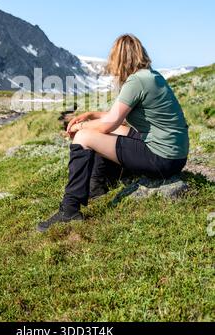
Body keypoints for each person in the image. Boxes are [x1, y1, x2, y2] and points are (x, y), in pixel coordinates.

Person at [37, 34, 189, 232]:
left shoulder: (137, 81)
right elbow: (117, 117)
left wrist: (79, 129)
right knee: (109, 130)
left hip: (162, 158)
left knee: (85, 138)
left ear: (120, 58)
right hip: (174, 155)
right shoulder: (149, 76)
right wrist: (90, 115)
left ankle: (70, 209)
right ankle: (98, 187)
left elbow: (107, 125)